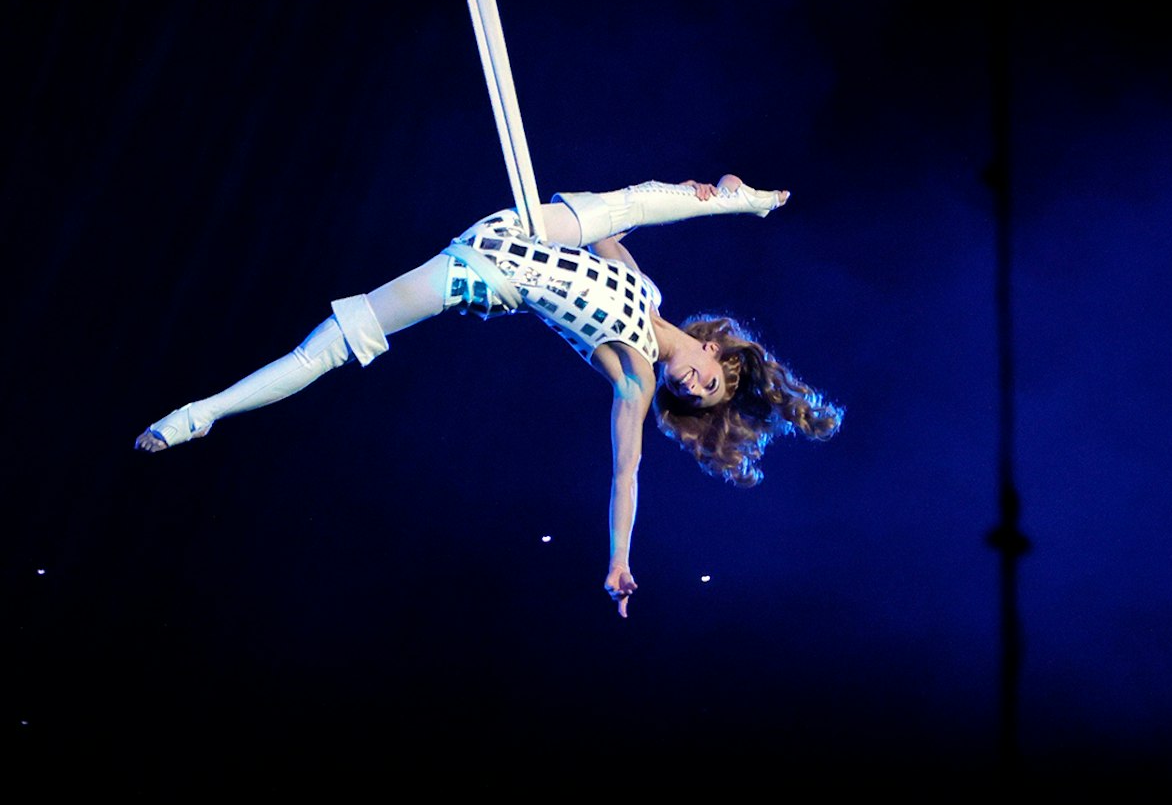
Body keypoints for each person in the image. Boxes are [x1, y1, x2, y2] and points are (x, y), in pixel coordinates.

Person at [134, 175, 844, 617]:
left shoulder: (634, 374)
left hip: (484, 274)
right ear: (714, 349)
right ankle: (735, 197)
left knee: (327, 346)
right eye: (709, 380)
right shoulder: (649, 291)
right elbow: (621, 227)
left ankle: (199, 416)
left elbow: (626, 474)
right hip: (524, 230)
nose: (691, 387)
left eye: (697, 398)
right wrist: (698, 196)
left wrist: (619, 559)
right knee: (627, 205)